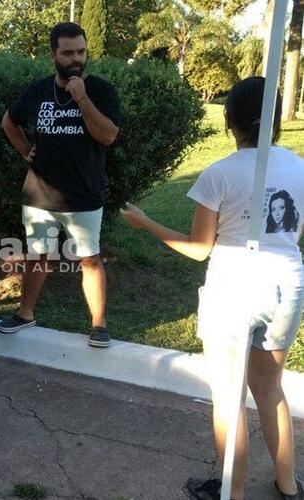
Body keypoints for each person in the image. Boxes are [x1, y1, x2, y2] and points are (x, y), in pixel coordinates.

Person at [121, 77, 303, 500]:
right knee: (271, 388)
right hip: (287, 285)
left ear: (230, 121)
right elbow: (294, 235)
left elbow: (199, 249)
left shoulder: (219, 174)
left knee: (228, 395)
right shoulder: (299, 167)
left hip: (235, 289)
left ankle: (230, 492)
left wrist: (145, 222)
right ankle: (288, 485)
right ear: (275, 121)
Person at [0, 22, 121, 348]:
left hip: (83, 195)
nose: (76, 58)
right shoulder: (38, 91)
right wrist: (25, 149)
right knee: (37, 255)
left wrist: (82, 100)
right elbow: (8, 121)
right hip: (39, 193)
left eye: (81, 51)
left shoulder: (101, 91)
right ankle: (25, 313)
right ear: (54, 54)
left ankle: (98, 324)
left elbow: (107, 135)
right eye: (68, 53)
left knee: (90, 260)